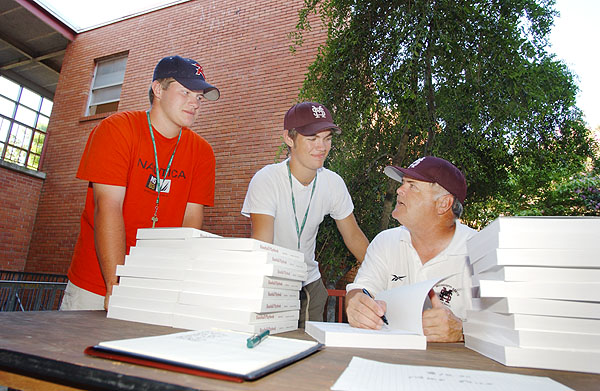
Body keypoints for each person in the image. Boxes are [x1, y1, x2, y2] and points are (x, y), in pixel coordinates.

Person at [61, 55, 219, 310]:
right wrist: (116, 286)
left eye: (199, 96)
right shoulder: (117, 129)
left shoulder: (202, 153)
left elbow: (190, 223)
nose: (195, 103)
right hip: (96, 286)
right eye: (186, 92)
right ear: (158, 89)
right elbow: (108, 207)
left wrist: (176, 284)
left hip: (155, 290)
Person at [242, 102, 369, 327]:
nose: (322, 147)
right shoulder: (267, 180)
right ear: (289, 139)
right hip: (273, 280)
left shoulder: (333, 183)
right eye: (312, 138)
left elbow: (354, 237)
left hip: (310, 282)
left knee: (311, 351)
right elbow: (263, 243)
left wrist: (383, 276)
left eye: (327, 138)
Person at [345, 156, 476, 342]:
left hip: (459, 367)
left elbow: (506, 327)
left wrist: (463, 331)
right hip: (389, 363)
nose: (399, 189)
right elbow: (360, 290)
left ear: (444, 203)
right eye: (403, 183)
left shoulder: (479, 250)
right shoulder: (385, 242)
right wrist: (356, 304)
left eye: (412, 185)